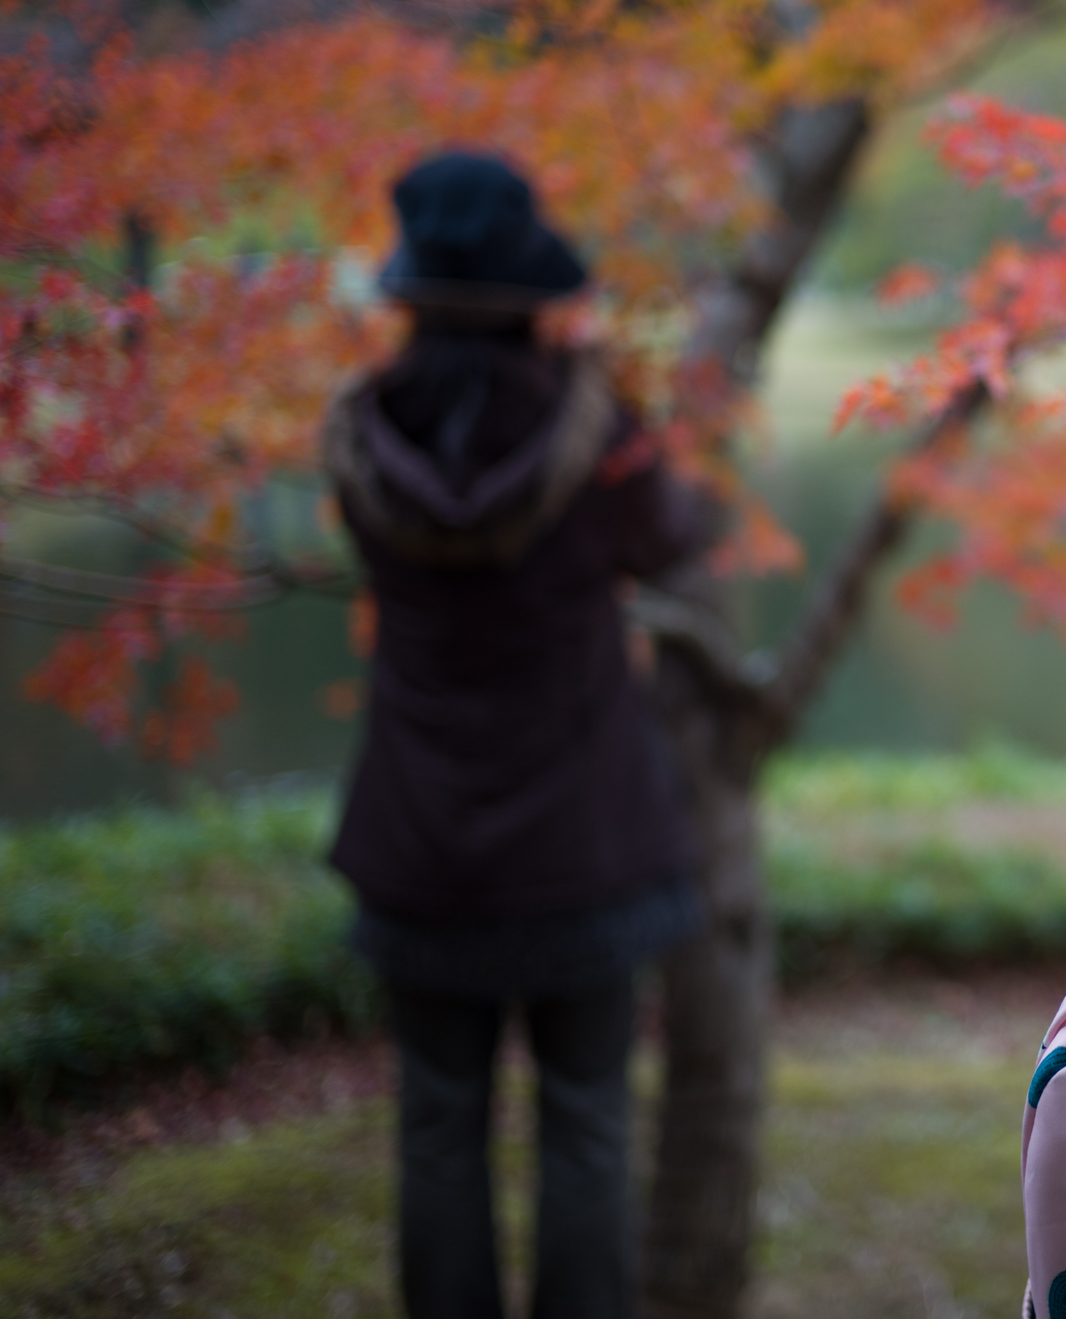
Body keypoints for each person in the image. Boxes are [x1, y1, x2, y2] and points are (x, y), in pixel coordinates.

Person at [323, 152, 718, 1319]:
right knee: (587, 1125)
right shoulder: (594, 424)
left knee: (437, 1126)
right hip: (581, 839)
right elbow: (667, 535)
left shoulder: (362, 426)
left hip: (417, 834)